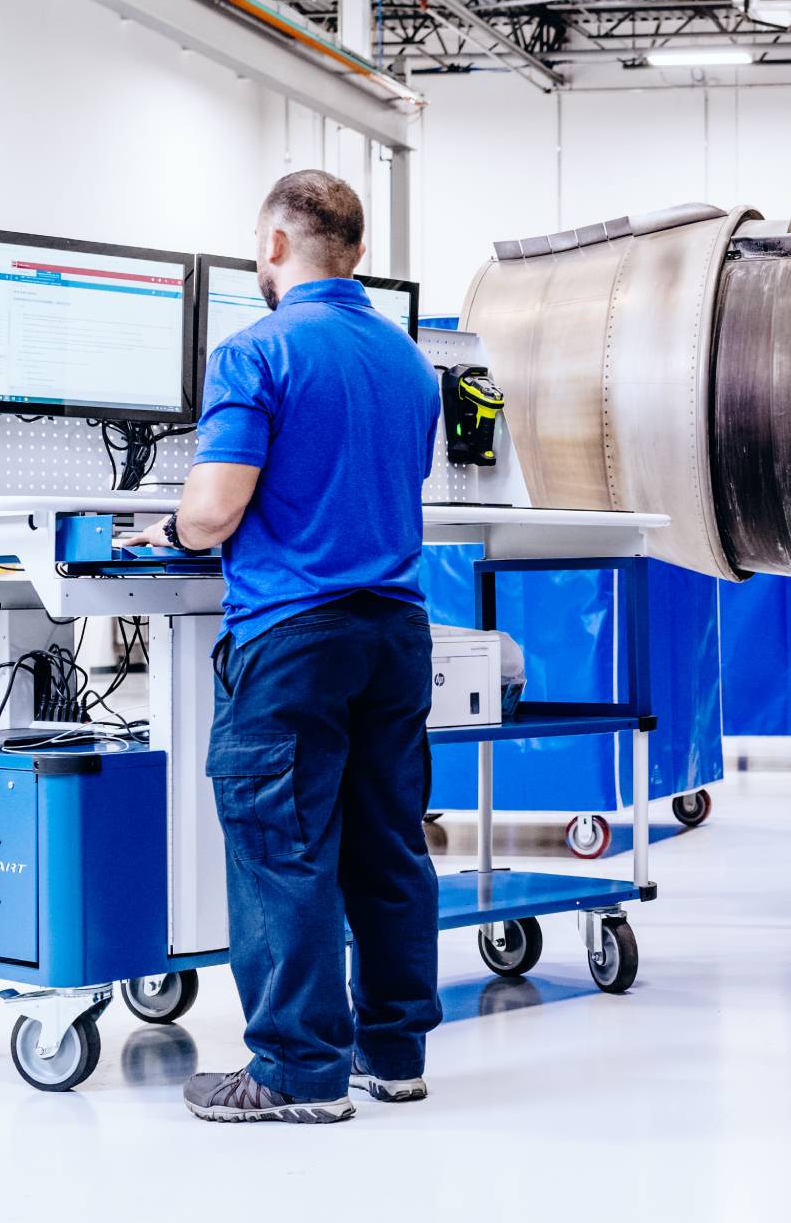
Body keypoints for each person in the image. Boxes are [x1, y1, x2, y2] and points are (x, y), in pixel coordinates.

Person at [116, 171, 445, 1121]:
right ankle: (393, 1053)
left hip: (295, 636)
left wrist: (171, 533)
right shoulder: (408, 363)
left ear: (271, 246)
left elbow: (215, 512)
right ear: (358, 252)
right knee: (387, 845)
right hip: (395, 633)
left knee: (284, 842)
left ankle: (297, 1072)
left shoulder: (255, 351)